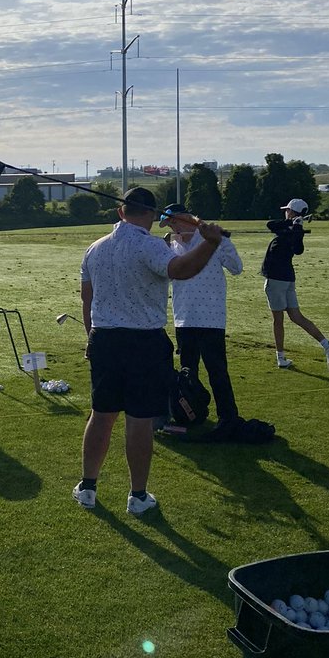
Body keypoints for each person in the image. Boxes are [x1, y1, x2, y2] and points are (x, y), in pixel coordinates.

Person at [74, 187, 225, 515]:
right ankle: (138, 496)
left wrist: (90, 338)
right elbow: (182, 270)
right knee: (140, 421)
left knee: (101, 416)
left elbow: (88, 300)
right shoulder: (150, 246)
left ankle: (88, 487)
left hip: (103, 341)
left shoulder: (93, 249)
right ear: (154, 216)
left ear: (120, 212)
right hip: (143, 343)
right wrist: (211, 242)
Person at [160, 202, 243, 436]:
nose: (172, 227)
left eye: (173, 221)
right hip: (183, 318)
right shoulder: (170, 245)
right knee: (188, 373)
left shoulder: (214, 240)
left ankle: (228, 417)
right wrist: (164, 249)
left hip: (211, 318)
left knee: (217, 371)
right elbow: (163, 278)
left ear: (186, 219)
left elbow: (237, 267)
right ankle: (191, 414)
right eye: (169, 224)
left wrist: (220, 241)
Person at [262, 198, 329, 371]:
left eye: (287, 210)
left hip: (276, 279)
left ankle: (281, 358)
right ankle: (328, 346)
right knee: (296, 316)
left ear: (291, 211)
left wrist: (296, 226)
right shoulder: (289, 227)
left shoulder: (295, 230)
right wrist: (293, 223)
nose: (285, 212)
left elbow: (298, 250)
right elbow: (271, 225)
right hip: (288, 278)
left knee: (277, 320)